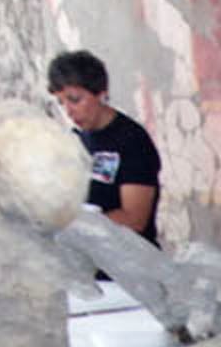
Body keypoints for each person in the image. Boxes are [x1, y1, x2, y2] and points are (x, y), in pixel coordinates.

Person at [49, 50, 161, 242]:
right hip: (90, 262)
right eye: (62, 102)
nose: (68, 111)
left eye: (75, 100)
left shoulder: (132, 141)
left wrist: (76, 225)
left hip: (129, 264)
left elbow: (135, 219)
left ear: (101, 93)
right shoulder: (76, 140)